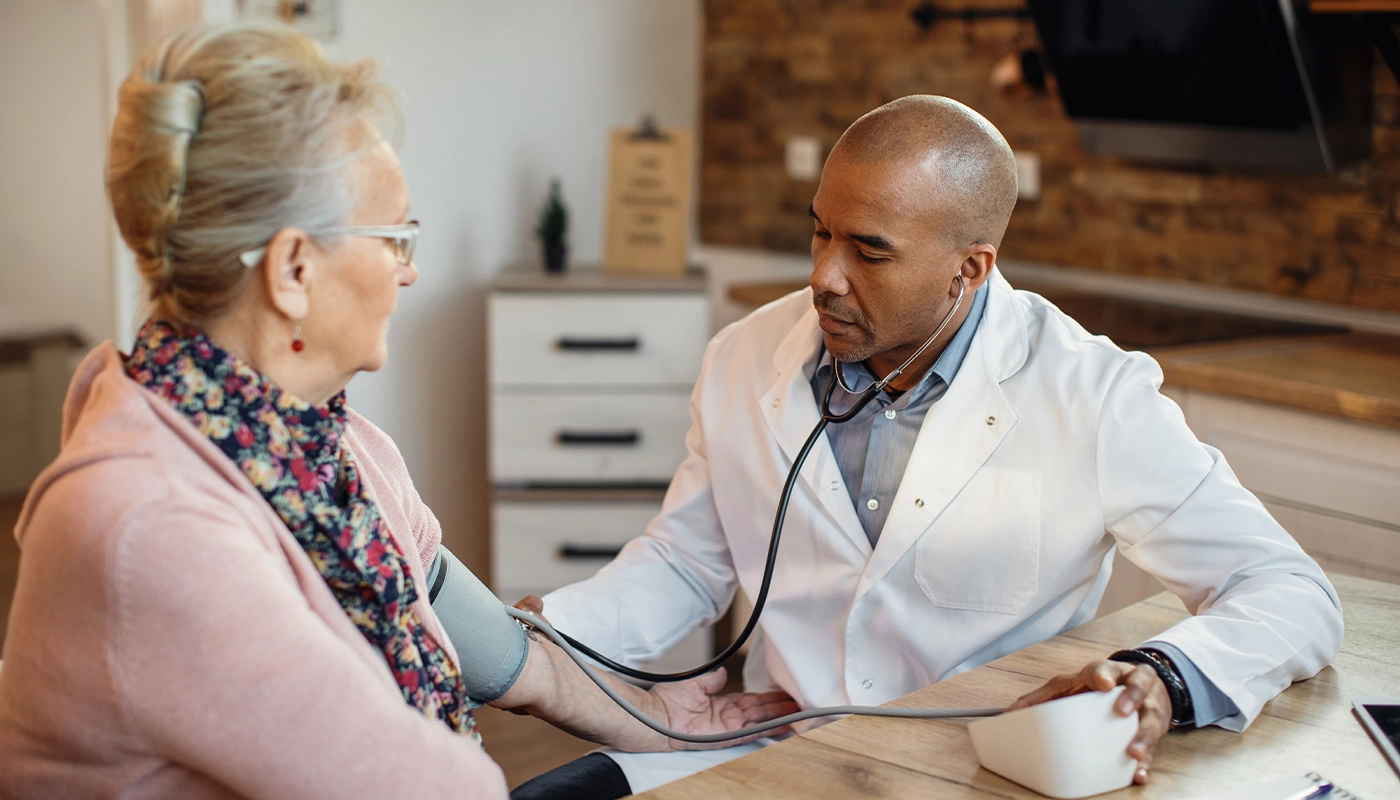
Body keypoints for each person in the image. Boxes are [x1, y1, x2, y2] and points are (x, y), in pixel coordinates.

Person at [0, 24, 793, 799]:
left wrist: (646, 715)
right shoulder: (151, 527)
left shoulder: (333, 445)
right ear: (295, 269)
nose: (409, 274)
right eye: (396, 239)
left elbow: (490, 643)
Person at [526, 95, 1345, 796]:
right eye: (821, 233)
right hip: (773, 747)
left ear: (970, 269)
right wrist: (540, 641)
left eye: (869, 251)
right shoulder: (745, 355)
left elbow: (1284, 588)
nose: (825, 278)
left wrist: (1164, 677)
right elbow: (684, 563)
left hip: (978, 773)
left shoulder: (1091, 394)